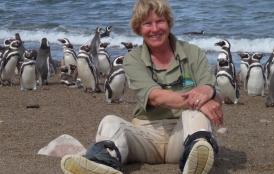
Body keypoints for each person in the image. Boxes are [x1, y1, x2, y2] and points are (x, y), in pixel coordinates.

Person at [60, 0, 223, 174]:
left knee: (195, 115)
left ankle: (194, 163)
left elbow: (215, 94)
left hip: (182, 135)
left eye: (160, 21)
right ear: (138, 29)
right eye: (147, 24)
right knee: (110, 121)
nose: (155, 29)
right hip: (146, 135)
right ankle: (104, 164)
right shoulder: (133, 59)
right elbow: (155, 97)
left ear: (169, 23)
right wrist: (200, 100)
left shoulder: (193, 52)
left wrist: (208, 91)